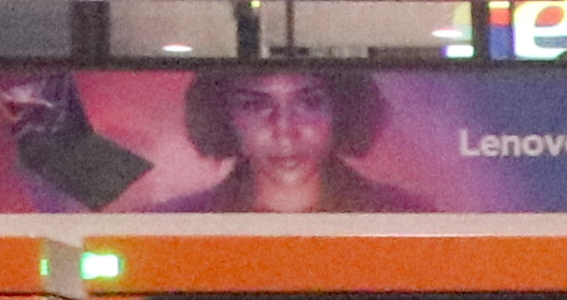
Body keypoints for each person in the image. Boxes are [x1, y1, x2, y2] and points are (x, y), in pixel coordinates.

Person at [175, 65, 431, 216]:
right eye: (255, 105)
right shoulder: (174, 222)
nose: (285, 130)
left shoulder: (409, 215)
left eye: (309, 102)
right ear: (223, 116)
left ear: (341, 110)